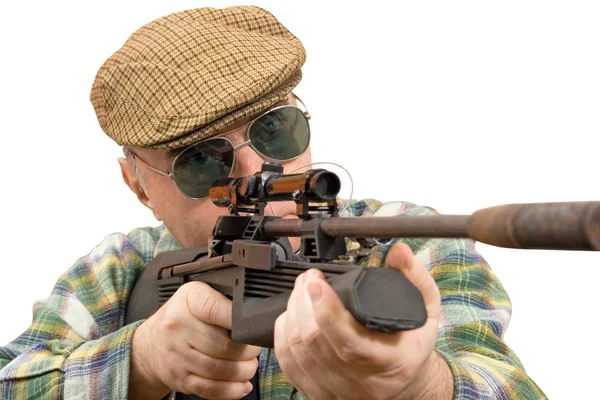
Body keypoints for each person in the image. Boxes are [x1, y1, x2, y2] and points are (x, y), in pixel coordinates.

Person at [0, 6, 547, 400]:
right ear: (137, 184)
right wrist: (140, 362)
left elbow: (508, 387)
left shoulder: (410, 243)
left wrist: (421, 386)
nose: (256, 172)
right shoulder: (118, 272)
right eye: (201, 159)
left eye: (274, 131)